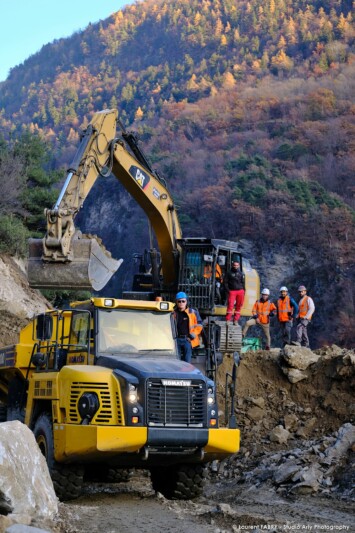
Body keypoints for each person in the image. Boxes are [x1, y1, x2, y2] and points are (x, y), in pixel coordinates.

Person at [172, 292, 203, 363]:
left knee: (187, 362)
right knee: (176, 361)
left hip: (187, 340)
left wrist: (192, 336)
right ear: (176, 302)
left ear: (186, 302)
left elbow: (199, 325)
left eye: (183, 301)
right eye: (179, 301)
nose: (181, 303)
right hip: (176, 340)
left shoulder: (193, 313)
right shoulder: (173, 314)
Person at [224, 260, 245, 325]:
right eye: (234, 265)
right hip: (232, 291)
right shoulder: (229, 273)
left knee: (239, 306)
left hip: (240, 291)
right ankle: (228, 320)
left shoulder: (241, 273)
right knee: (230, 305)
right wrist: (228, 291)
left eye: (237, 265)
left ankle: (235, 320)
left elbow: (243, 282)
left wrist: (243, 290)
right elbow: (225, 282)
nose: (236, 266)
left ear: (238, 266)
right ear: (232, 265)